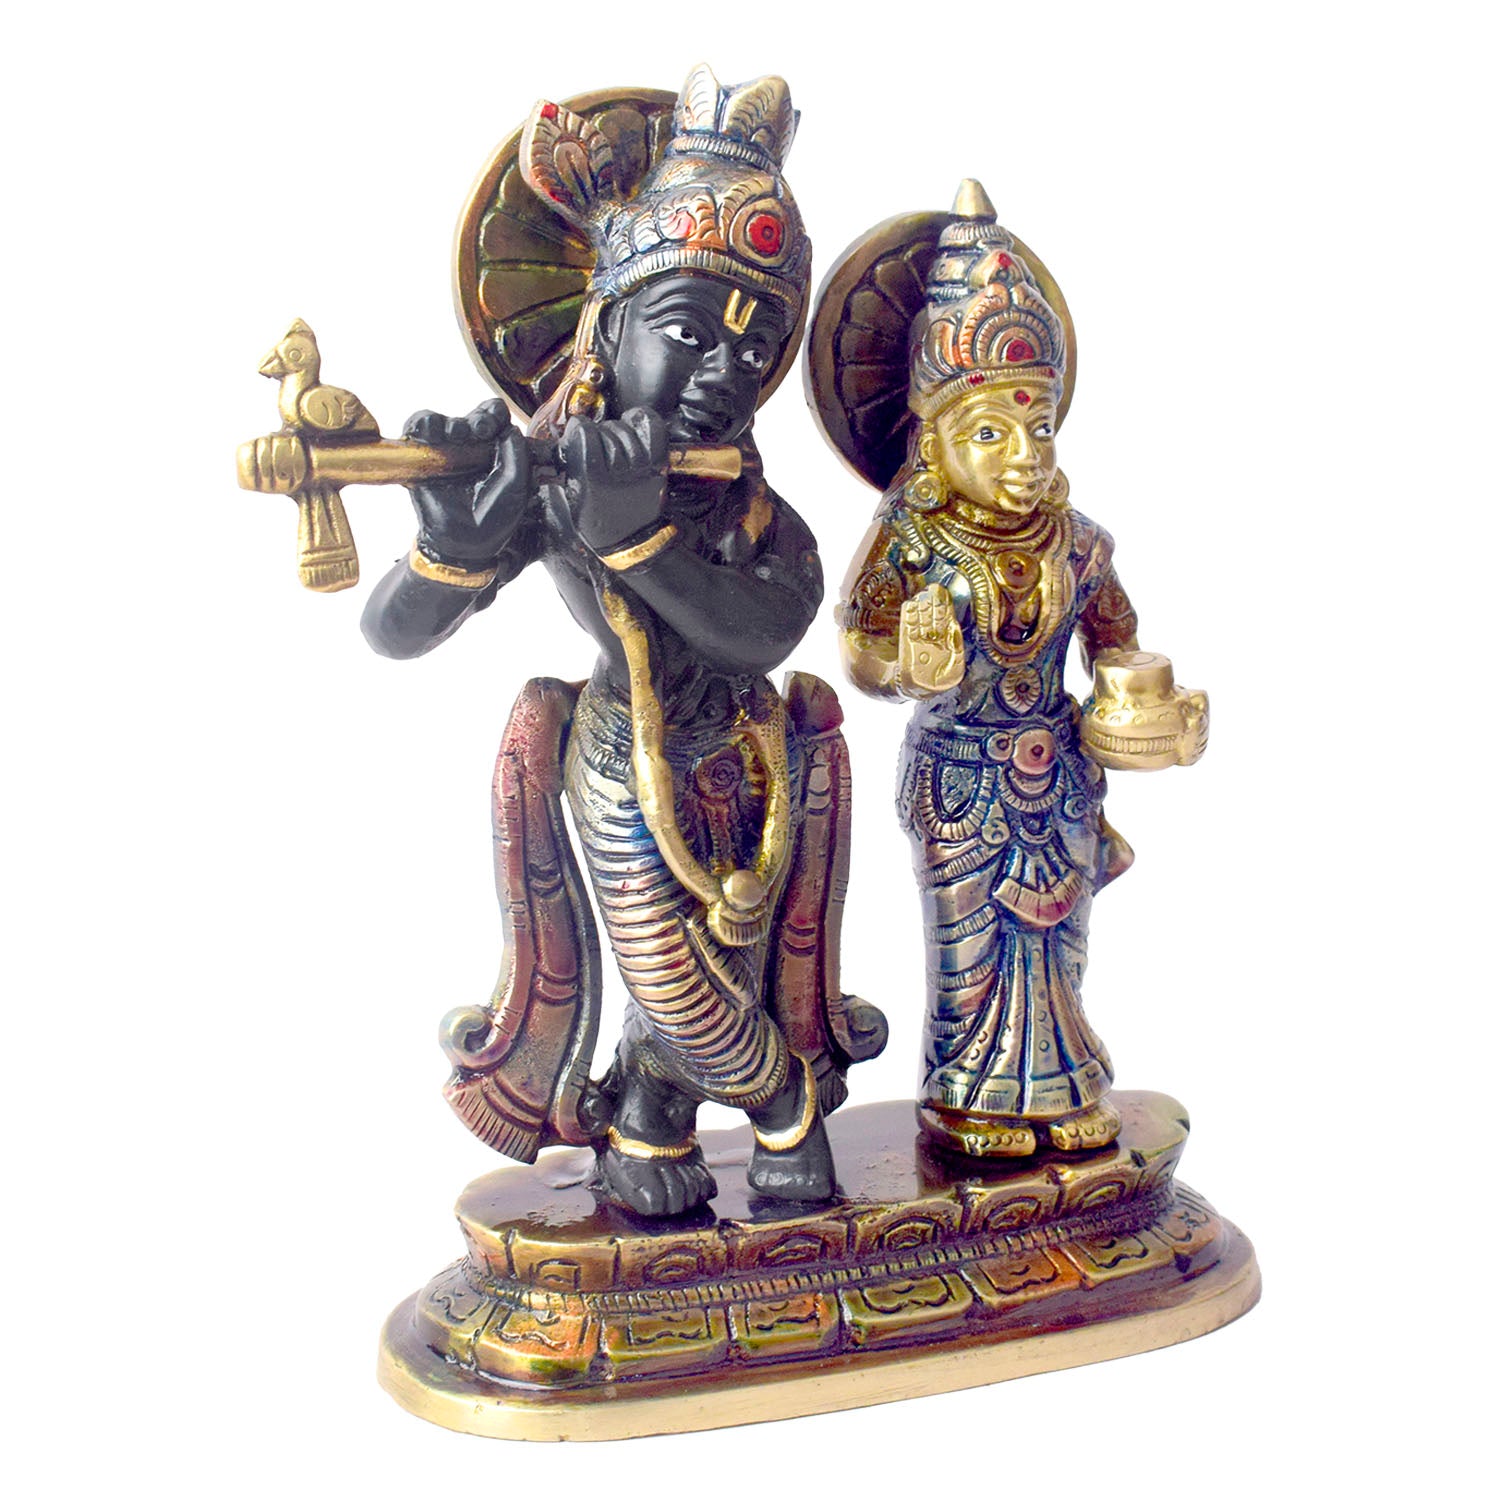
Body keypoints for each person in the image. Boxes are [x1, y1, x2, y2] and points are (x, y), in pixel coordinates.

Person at [362, 65, 883, 1215]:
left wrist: (642, 542)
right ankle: (778, 1104)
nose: (723, 374)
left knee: (730, 967)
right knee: (664, 965)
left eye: (755, 348)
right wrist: (452, 545)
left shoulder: (743, 507)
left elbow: (767, 628)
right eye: (688, 331)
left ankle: (655, 1113)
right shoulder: (564, 479)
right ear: (606, 324)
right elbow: (394, 634)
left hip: (749, 759)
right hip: (616, 762)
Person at [839, 184, 1142, 1158]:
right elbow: (859, 645)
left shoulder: (1078, 542)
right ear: (933, 441)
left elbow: (1118, 640)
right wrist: (904, 667)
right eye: (989, 434)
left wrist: (1144, 701)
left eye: (1038, 428)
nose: (1023, 457)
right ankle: (968, 1099)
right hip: (963, 776)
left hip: (1056, 774)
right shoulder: (913, 535)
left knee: (1060, 946)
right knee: (970, 952)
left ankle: (1060, 1090)